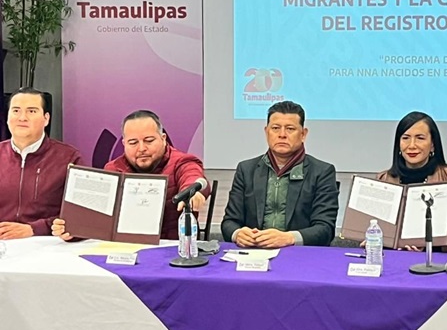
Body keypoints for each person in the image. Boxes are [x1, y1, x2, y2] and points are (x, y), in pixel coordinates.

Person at [52, 110, 208, 240]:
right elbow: (98, 221)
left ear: (163, 139)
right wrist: (73, 231)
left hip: (171, 249)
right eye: (133, 143)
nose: (142, 148)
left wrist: (193, 192)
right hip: (122, 250)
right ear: (124, 144)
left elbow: (192, 176)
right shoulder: (113, 168)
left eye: (149, 140)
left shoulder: (181, 161)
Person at [222, 101, 338, 248]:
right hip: (253, 252)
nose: (282, 135)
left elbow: (325, 229)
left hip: (299, 254)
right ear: (266, 132)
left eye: (290, 129)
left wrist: (289, 238)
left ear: (303, 134)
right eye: (275, 128)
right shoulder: (246, 169)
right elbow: (229, 222)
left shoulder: (322, 172)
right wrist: (238, 234)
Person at [376, 111, 447, 253]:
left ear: (432, 145)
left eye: (420, 138)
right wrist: (371, 239)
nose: (412, 145)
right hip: (392, 258)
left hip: (436, 259)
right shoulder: (383, 179)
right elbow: (371, 228)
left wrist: (429, 241)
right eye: (405, 138)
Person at [0, 88, 82, 239]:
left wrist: (34, 229)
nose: (22, 118)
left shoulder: (69, 158)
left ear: (46, 118)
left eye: (31, 111)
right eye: (16, 111)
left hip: (48, 244)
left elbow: (81, 214)